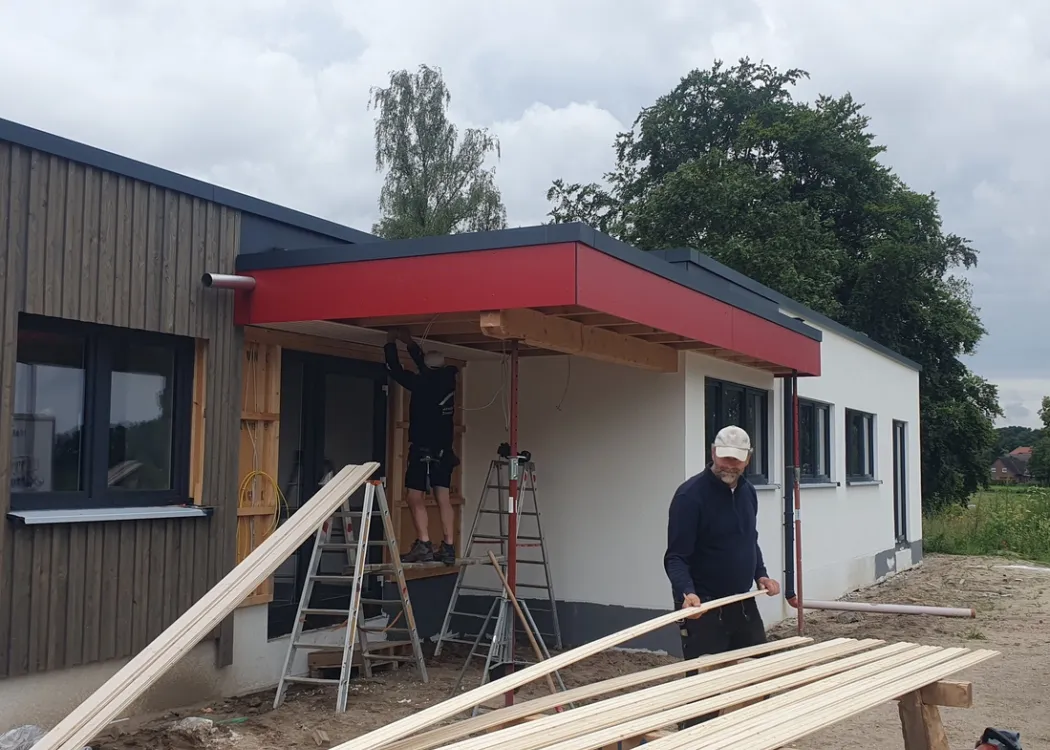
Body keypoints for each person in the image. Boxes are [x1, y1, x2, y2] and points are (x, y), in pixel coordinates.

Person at [663, 424, 781, 727]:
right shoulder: (690, 496)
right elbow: (675, 556)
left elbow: (748, 539)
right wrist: (686, 593)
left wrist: (761, 574)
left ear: (748, 459)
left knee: (757, 680)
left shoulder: (748, 492)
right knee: (704, 692)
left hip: (742, 603)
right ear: (713, 453)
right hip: (704, 608)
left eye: (736, 460)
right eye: (724, 457)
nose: (729, 465)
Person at [384, 328, 460, 565]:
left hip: (422, 449)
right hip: (444, 450)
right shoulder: (449, 380)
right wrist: (410, 344)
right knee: (443, 497)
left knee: (414, 496)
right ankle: (448, 546)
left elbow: (395, 369)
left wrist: (390, 344)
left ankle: (424, 544)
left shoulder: (420, 383)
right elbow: (424, 365)